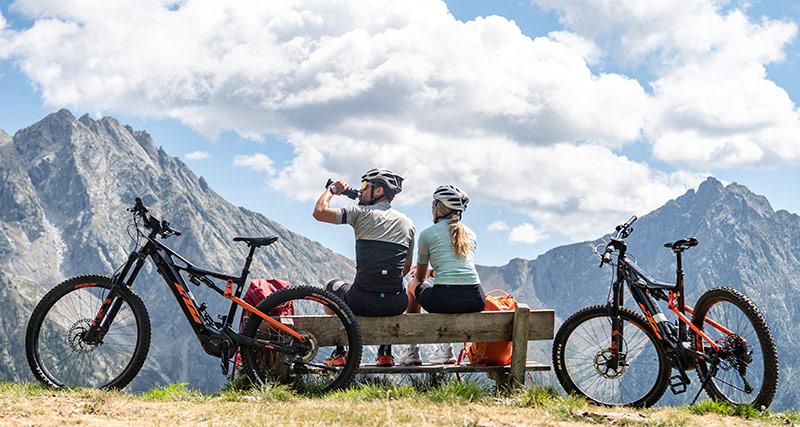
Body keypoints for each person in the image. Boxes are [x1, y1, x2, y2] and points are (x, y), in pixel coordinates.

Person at [312, 168, 415, 367]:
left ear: (378, 191)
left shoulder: (359, 213)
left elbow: (319, 212)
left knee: (331, 285)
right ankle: (385, 353)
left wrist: (332, 190)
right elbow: (405, 268)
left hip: (361, 301)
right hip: (395, 303)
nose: (361, 190)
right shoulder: (408, 223)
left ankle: (340, 352)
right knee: (391, 287)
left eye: (365, 186)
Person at [399, 185, 485, 366]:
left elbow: (420, 278)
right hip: (476, 298)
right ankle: (446, 350)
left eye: (433, 204)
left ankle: (413, 351)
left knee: (412, 285)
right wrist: (433, 272)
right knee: (448, 293)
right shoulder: (471, 234)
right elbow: (457, 270)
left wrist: (424, 274)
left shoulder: (427, 234)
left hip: (445, 298)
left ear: (438, 207)